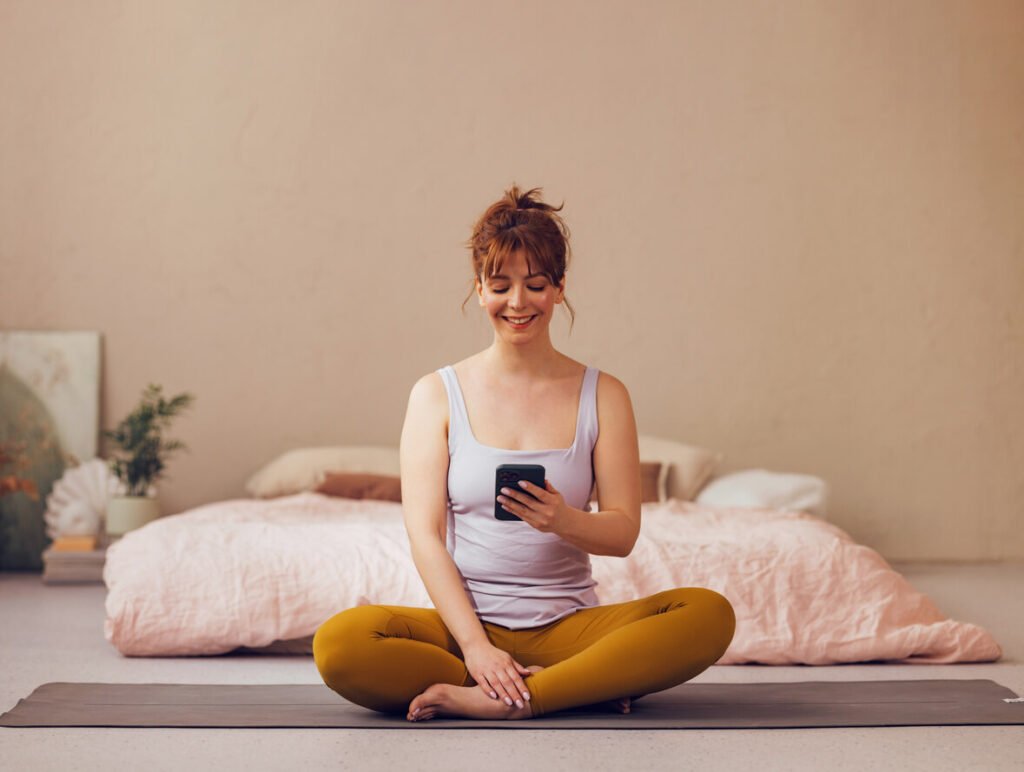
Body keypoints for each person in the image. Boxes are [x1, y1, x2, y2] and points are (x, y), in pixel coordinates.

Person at [313, 184, 736, 722]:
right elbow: (425, 536)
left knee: (708, 614)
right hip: (465, 629)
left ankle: (513, 699)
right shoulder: (435, 394)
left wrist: (563, 520)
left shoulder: (604, 395)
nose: (517, 303)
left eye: (535, 285)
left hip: (570, 630)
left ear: (559, 289)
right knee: (340, 644)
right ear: (479, 288)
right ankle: (571, 687)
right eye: (501, 286)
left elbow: (625, 532)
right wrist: (477, 649)